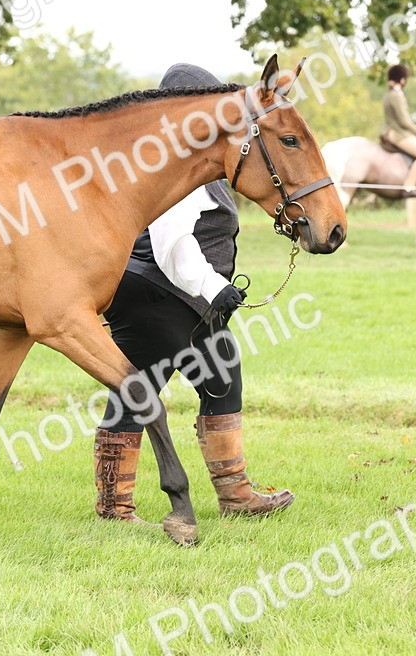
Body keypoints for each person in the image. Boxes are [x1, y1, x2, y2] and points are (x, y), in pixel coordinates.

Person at [93, 63, 293, 525]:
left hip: (154, 292)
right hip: (164, 292)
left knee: (155, 385)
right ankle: (227, 496)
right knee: (178, 382)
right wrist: (214, 287)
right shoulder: (178, 162)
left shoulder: (179, 158)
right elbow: (173, 242)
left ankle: (119, 505)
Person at [379, 64, 416, 197]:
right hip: (397, 133)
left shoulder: (389, 93)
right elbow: (404, 121)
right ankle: (409, 186)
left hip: (392, 130)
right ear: (402, 80)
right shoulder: (396, 95)